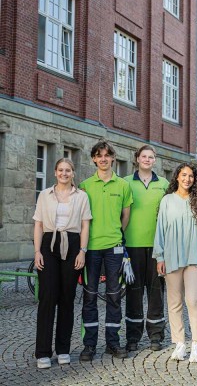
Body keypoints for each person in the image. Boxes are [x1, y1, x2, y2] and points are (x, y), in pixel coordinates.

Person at [33, 158, 92, 369]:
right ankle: (42, 352)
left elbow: (85, 226)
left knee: (67, 298)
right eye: (60, 170)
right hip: (49, 243)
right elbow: (38, 225)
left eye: (68, 170)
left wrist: (82, 252)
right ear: (55, 172)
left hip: (73, 244)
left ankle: (64, 349)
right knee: (47, 297)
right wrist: (37, 251)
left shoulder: (82, 196)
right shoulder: (44, 195)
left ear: (73, 173)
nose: (64, 173)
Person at [79, 140, 133, 361]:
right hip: (90, 248)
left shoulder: (122, 185)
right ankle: (89, 345)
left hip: (114, 247)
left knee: (113, 296)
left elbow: (126, 214)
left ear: (113, 158)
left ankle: (113, 342)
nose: (103, 159)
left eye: (107, 155)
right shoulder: (84, 185)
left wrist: (116, 233)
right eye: (99, 155)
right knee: (89, 296)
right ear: (93, 158)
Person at [153, 163, 197, 363]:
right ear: (177, 177)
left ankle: (196, 344)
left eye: (191, 176)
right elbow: (160, 228)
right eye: (184, 175)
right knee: (174, 301)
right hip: (171, 255)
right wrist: (159, 256)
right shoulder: (167, 200)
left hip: (194, 255)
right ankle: (179, 343)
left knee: (193, 299)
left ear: (195, 179)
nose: (187, 179)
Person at [124, 145, 169, 352]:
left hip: (157, 248)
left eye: (151, 157)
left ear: (155, 160)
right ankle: (132, 337)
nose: (147, 160)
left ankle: (156, 335)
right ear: (137, 158)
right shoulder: (125, 183)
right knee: (133, 292)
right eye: (144, 156)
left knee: (156, 292)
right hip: (131, 246)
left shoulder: (165, 184)